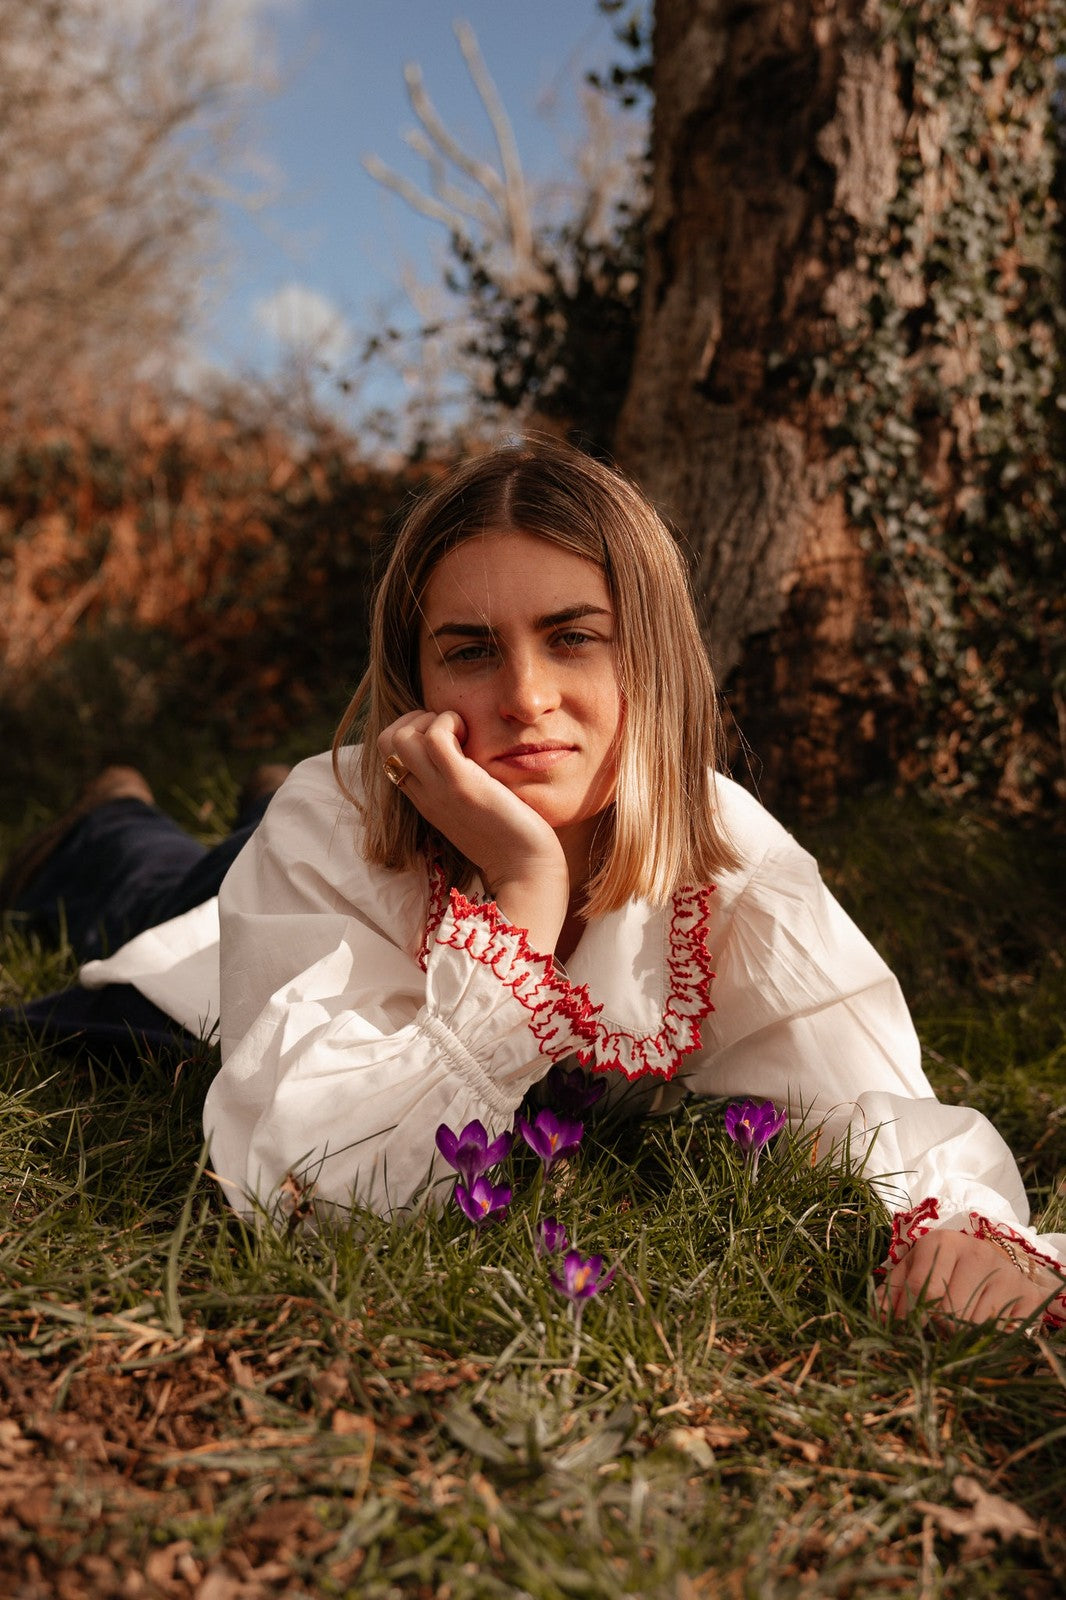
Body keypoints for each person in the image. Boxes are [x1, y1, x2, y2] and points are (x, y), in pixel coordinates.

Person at [3, 440, 1063, 1331]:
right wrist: (524, 883)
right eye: (469, 651)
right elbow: (313, 1191)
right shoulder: (337, 823)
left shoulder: (729, 851)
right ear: (413, 681)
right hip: (270, 913)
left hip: (342, 835)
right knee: (156, 893)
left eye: (573, 637)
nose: (524, 696)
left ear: (647, 656)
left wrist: (969, 1239)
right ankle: (111, 810)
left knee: (237, 844)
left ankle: (234, 801)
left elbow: (872, 1101)